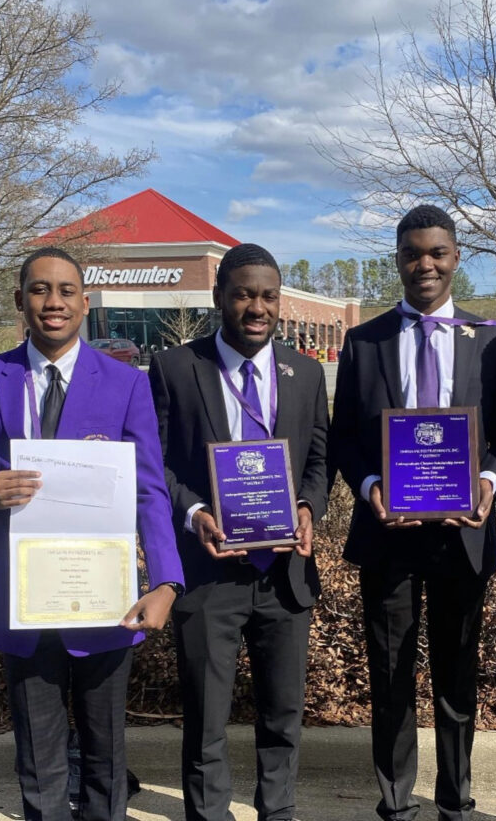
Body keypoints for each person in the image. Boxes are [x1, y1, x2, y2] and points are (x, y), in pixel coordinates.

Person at [0, 246, 184, 821]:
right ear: (20, 301)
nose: (52, 303)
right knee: (39, 760)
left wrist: (167, 582)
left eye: (64, 291)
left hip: (105, 600)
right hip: (26, 601)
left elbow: (150, 490)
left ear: (85, 302)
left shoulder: (127, 383)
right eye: (38, 290)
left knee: (106, 760)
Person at [329, 205, 496, 821]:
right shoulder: (365, 340)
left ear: (456, 257)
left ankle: (456, 801)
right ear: (398, 259)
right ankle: (395, 803)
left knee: (456, 676)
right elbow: (344, 439)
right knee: (389, 677)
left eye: (437, 253)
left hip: (462, 535)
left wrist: (490, 482)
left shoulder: (491, 340)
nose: (425, 265)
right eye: (413, 253)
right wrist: (368, 488)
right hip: (390, 534)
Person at [148, 243, 328, 821]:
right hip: (208, 575)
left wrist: (307, 507)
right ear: (219, 296)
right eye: (244, 293)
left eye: (268, 295)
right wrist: (194, 511)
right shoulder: (177, 367)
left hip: (284, 576)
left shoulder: (304, 371)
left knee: (283, 714)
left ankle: (278, 812)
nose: (257, 306)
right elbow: (158, 464)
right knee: (206, 719)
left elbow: (319, 461)